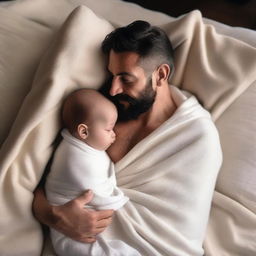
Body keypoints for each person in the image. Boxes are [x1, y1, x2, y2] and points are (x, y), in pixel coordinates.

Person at [33, 20, 221, 255]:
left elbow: (178, 238)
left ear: (161, 75)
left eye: (126, 78)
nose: (114, 89)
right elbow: (45, 178)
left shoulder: (197, 138)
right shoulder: (100, 112)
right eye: (112, 75)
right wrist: (53, 216)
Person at [44, 88, 140, 256]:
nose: (114, 134)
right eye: (109, 129)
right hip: (70, 233)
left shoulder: (85, 144)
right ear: (83, 131)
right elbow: (96, 194)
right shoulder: (74, 158)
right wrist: (118, 200)